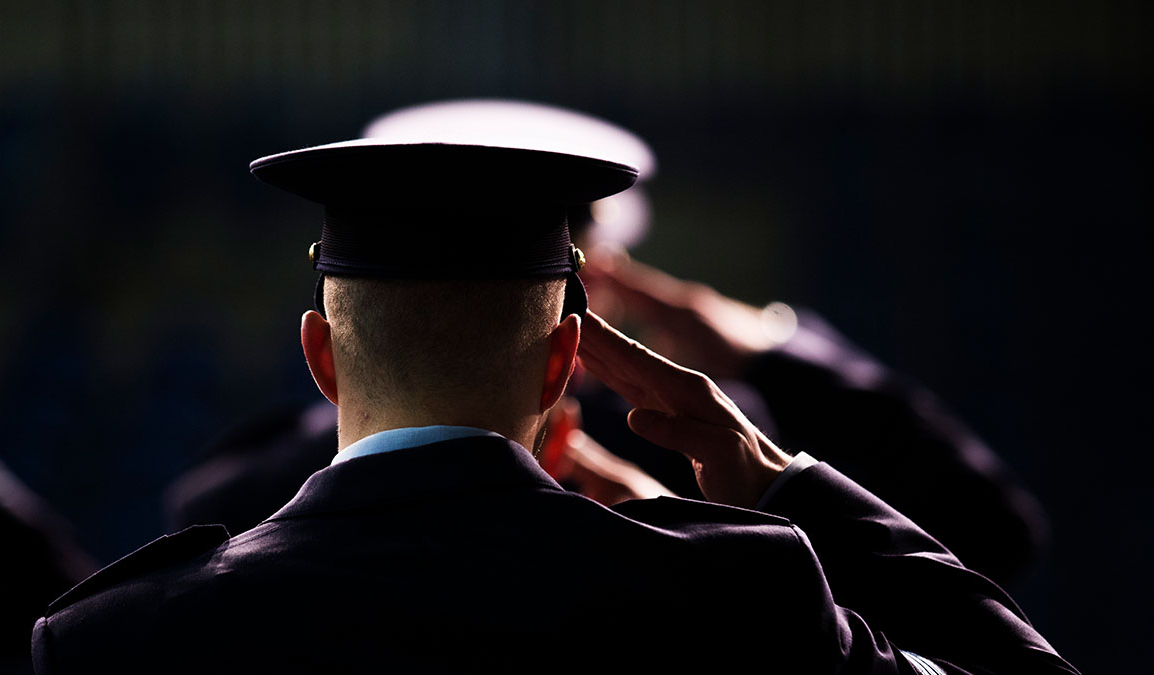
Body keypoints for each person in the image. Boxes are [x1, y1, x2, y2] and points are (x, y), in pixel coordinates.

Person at [6, 139, 1123, 675]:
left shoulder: (117, 647)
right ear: (563, 365)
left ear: (319, 356)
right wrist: (786, 483)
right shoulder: (733, 596)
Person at [162, 100, 1048, 587]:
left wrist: (404, 392)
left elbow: (984, 525)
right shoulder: (731, 535)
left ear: (325, 351)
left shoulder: (676, 438)